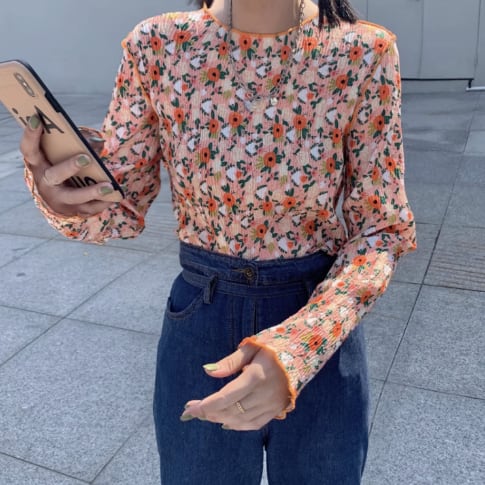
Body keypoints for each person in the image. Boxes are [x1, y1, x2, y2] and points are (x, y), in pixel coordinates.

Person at [20, 0, 417, 483]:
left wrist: (300, 346)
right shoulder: (158, 44)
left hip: (319, 323)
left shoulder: (364, 50)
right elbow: (119, 211)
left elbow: (381, 228)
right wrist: (64, 196)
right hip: (201, 323)